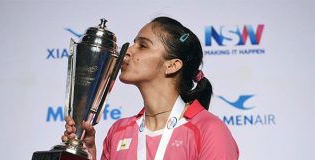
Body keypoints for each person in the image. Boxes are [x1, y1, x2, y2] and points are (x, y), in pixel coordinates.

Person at [62, 16, 239, 160]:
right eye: (133, 43)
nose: (129, 50)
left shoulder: (209, 130)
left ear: (172, 65)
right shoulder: (119, 130)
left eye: (143, 45)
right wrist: (88, 156)